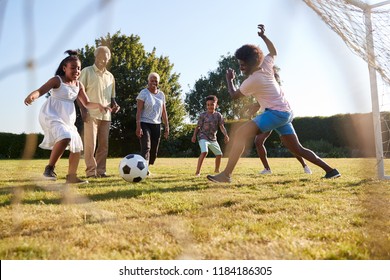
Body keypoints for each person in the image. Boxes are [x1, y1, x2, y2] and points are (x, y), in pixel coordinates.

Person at [207, 24, 340, 183]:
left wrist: (229, 80)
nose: (240, 67)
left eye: (243, 64)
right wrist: (263, 37)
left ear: (251, 63)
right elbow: (273, 51)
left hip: (276, 113)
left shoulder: (253, 79)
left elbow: (235, 95)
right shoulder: (266, 64)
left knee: (240, 134)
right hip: (284, 112)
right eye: (239, 63)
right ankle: (331, 171)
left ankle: (226, 175)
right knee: (297, 149)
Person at [24, 50, 110, 184]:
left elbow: (86, 103)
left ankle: (71, 176)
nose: (77, 71)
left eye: (79, 68)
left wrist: (99, 105)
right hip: (51, 114)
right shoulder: (57, 80)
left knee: (77, 145)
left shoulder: (78, 85)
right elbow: (41, 90)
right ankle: (49, 169)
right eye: (73, 68)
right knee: (65, 137)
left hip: (68, 119)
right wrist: (32, 96)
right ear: (64, 68)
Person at [247, 68, 312, 175]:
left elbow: (264, 103)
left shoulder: (275, 89)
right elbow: (261, 103)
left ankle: (304, 165)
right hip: (269, 116)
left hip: (279, 116)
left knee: (291, 145)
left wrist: (253, 108)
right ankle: (267, 169)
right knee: (258, 141)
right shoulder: (264, 87)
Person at [78, 46, 120, 178]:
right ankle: (91, 172)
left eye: (106, 59)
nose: (104, 61)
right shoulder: (86, 71)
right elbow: (78, 93)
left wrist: (115, 104)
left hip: (106, 116)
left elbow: (112, 97)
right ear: (96, 56)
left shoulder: (110, 76)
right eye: (102, 58)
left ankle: (101, 171)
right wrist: (83, 111)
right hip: (91, 114)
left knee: (104, 146)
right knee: (90, 145)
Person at [136, 72, 169, 172]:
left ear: (158, 82)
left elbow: (164, 111)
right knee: (146, 146)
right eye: (152, 80)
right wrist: (138, 126)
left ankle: (147, 166)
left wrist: (167, 126)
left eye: (156, 81)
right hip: (144, 123)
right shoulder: (143, 93)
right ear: (148, 81)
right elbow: (139, 111)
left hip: (157, 124)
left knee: (154, 150)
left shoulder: (161, 94)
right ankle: (143, 170)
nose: (154, 83)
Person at [191, 95, 229, 176]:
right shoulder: (203, 115)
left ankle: (217, 170)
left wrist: (226, 135)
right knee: (204, 152)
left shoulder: (218, 115)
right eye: (208, 105)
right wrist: (194, 136)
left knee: (219, 154)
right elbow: (197, 127)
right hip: (203, 136)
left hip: (213, 138)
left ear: (216, 105)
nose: (210, 106)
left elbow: (221, 127)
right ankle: (197, 172)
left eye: (212, 104)